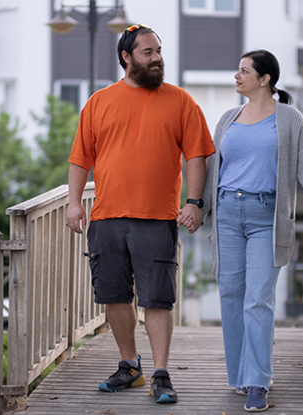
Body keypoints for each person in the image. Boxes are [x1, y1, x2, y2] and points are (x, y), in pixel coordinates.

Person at [187, 49, 303, 412]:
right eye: (237, 70)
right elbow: (214, 168)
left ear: (265, 79)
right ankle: (241, 376)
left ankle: (258, 381)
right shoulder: (228, 118)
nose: (236, 76)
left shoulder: (290, 119)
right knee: (231, 293)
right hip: (227, 212)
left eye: (244, 71)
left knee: (258, 299)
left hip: (265, 216)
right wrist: (197, 206)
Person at [66, 24, 214, 405]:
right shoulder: (99, 102)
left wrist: (194, 202)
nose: (157, 58)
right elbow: (81, 158)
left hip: (157, 217)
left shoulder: (181, 102)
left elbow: (197, 156)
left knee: (157, 299)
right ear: (126, 58)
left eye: (158, 51)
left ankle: (161, 374)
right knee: (114, 295)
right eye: (148, 52)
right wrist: (73, 202)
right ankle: (130, 366)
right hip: (107, 217)